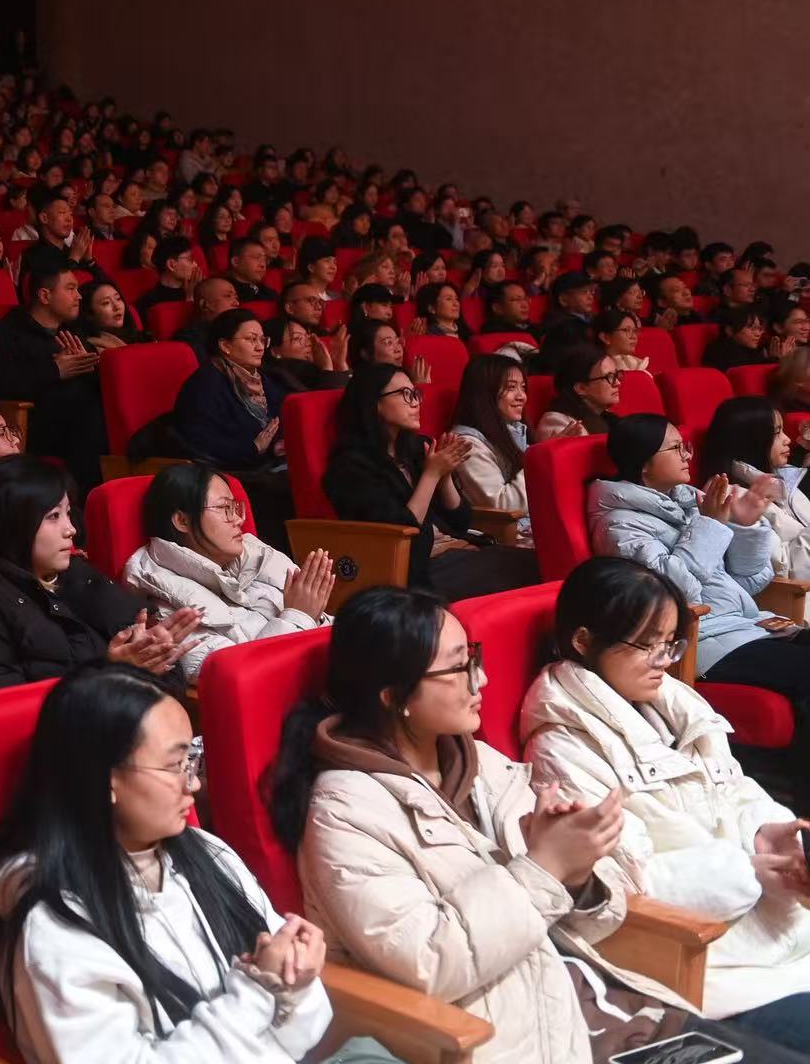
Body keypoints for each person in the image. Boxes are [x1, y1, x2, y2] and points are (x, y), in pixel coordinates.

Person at [270, 587, 730, 1064]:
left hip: (585, 999)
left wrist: (579, 872)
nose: (483, 679)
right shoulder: (344, 812)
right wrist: (545, 867)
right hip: (500, 1037)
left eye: (474, 657)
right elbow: (429, 961)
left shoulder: (481, 764)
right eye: (459, 667)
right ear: (393, 696)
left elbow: (595, 922)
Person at [0, 665, 347, 1064]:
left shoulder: (205, 852)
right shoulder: (56, 927)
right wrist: (260, 992)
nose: (193, 783)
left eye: (192, 759)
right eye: (174, 765)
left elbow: (309, 1028)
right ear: (103, 780)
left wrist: (295, 981)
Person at [521, 558, 810, 1041]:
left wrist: (766, 831)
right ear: (584, 641)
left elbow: (733, 787)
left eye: (671, 643)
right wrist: (747, 871)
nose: (665, 660)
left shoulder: (675, 702)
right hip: (700, 956)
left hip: (767, 923)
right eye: (647, 645)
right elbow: (623, 883)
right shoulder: (561, 748)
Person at [592, 412, 810, 742]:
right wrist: (710, 525)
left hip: (744, 626)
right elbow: (675, 594)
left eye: (686, 446)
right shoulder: (620, 525)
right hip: (699, 641)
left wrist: (744, 526)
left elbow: (750, 581)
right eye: (675, 448)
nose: (687, 456)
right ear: (644, 464)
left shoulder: (686, 501)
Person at [0, 454, 201, 693]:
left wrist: (158, 657)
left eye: (68, 513)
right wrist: (113, 675)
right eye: (53, 516)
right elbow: (8, 715)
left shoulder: (79, 575)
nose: (70, 530)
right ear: (13, 524)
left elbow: (162, 678)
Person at [324, 364, 540, 600]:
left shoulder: (417, 449)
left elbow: (461, 521)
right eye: (405, 394)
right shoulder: (351, 468)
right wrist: (431, 475)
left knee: (543, 562)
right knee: (532, 570)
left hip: (457, 550)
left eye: (415, 393)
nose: (415, 402)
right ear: (374, 403)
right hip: (416, 569)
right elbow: (400, 535)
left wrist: (445, 477)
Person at [122, 463, 333, 684]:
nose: (239, 519)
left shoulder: (258, 558)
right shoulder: (166, 606)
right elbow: (237, 681)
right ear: (183, 521)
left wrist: (314, 616)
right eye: (225, 508)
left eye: (235, 507)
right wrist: (298, 616)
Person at [0, 255, 108, 493]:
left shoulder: (71, 331)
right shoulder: (8, 332)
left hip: (78, 419)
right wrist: (54, 370)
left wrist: (90, 368)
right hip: (32, 423)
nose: (79, 296)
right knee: (88, 411)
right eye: (70, 289)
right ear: (45, 296)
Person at [700, 396, 810, 577]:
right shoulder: (726, 496)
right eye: (776, 433)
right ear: (751, 441)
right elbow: (787, 570)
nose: (787, 439)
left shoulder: (779, 478)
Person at [449, 353, 534, 526]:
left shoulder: (512, 430)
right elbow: (502, 507)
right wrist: (538, 460)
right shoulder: (467, 445)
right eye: (511, 387)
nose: (522, 396)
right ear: (485, 393)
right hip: (503, 535)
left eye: (523, 387)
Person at [535, 344, 620, 441]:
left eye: (616, 375)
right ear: (581, 388)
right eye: (609, 377)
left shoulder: (608, 418)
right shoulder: (559, 423)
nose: (618, 383)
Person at [706, 306, 774, 372]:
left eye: (759, 328)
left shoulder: (757, 351)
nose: (758, 334)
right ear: (729, 330)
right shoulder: (718, 352)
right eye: (752, 328)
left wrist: (773, 359)